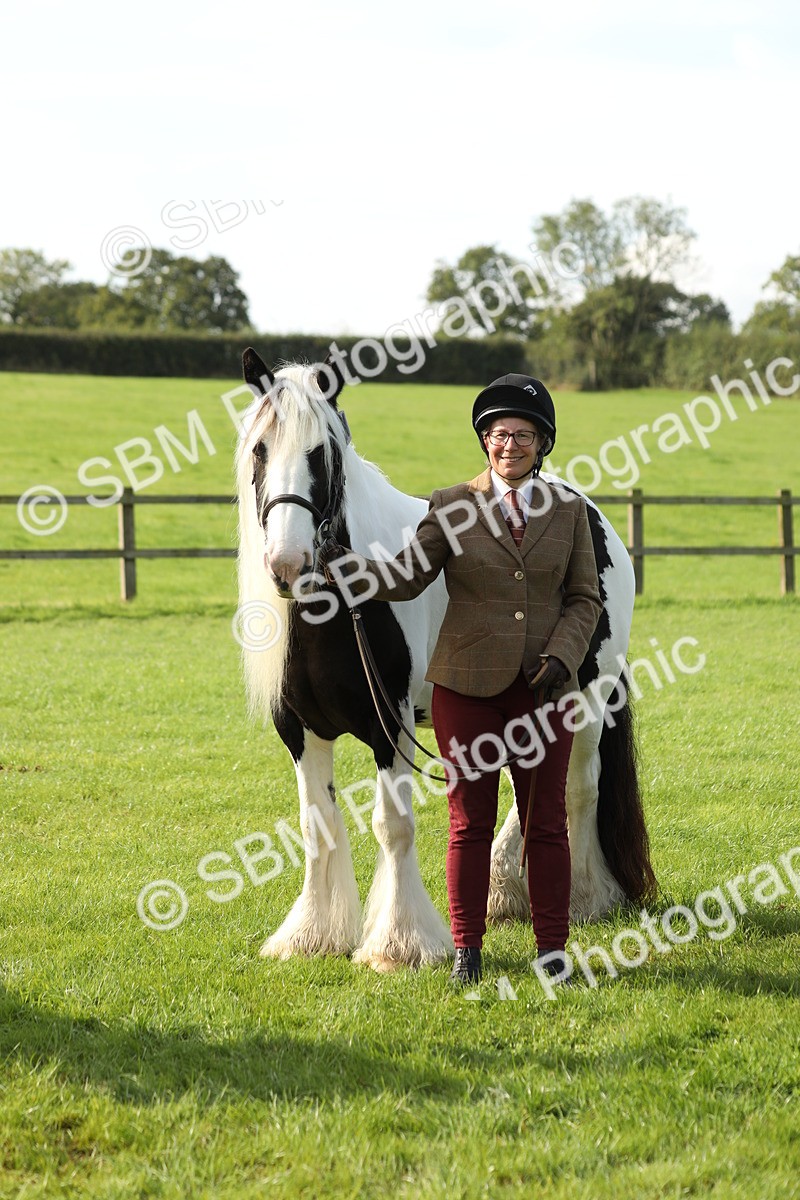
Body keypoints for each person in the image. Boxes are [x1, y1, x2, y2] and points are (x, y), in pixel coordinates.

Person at [327, 374, 602, 986]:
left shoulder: (570, 511)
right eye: (501, 434)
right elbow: (406, 575)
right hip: (465, 690)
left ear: (543, 443)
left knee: (546, 824)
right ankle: (467, 951)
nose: (512, 445)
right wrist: (351, 570)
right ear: (485, 440)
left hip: (545, 692)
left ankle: (552, 951)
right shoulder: (451, 506)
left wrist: (563, 657)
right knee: (468, 823)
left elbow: (585, 599)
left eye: (525, 435)